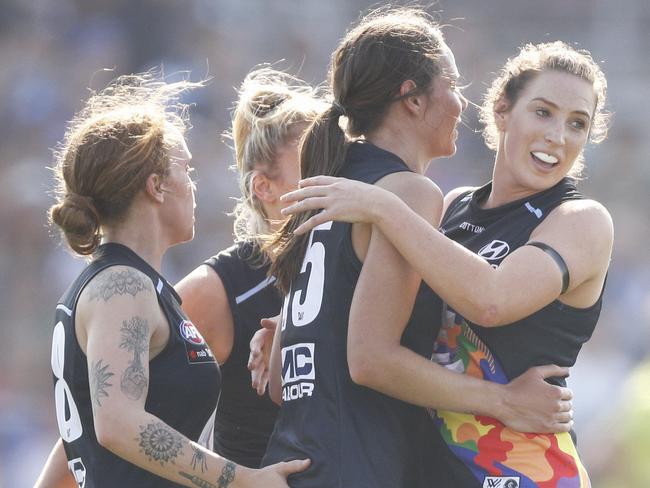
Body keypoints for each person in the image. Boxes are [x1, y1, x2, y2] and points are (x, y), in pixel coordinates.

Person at [261, 8, 574, 488]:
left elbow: (284, 379)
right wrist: (506, 400)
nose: (461, 102)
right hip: (358, 467)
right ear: (411, 97)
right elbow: (370, 359)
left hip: (297, 460)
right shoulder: (409, 192)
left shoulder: (338, 180)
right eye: (452, 83)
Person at [37, 72, 308, 488]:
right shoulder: (121, 286)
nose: (193, 186)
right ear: (157, 187)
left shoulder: (137, 285)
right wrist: (244, 480)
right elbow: (118, 424)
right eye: (187, 170)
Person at [175, 67, 326, 468]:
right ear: (264, 187)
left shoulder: (361, 259)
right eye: (313, 169)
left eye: (338, 165)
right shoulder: (221, 289)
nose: (333, 182)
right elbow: (112, 415)